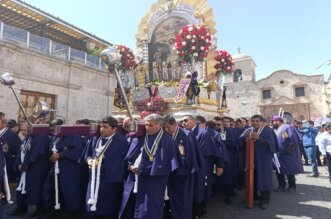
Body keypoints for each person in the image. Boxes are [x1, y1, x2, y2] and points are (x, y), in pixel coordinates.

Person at [134, 114, 179, 219]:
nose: (147, 128)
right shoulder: (142, 138)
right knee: (141, 201)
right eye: (146, 125)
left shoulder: (169, 140)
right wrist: (132, 165)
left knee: (154, 203)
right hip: (142, 175)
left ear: (159, 125)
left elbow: (171, 162)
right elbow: (132, 155)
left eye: (150, 125)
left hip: (158, 177)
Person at [85, 116, 129, 219]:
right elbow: (87, 155)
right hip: (94, 179)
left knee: (107, 207)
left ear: (114, 129)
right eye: (101, 127)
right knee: (91, 206)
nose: (101, 129)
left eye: (105, 127)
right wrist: (89, 161)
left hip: (109, 180)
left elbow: (120, 163)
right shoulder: (96, 139)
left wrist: (101, 164)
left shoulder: (121, 142)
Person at [43, 119, 86, 219]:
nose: (53, 132)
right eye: (51, 130)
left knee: (70, 193)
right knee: (52, 191)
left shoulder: (74, 136)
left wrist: (61, 154)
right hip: (56, 170)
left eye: (55, 129)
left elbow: (79, 152)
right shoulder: (56, 137)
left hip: (70, 171)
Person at [181, 115, 222, 218]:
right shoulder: (183, 133)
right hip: (188, 165)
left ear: (194, 121)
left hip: (201, 165)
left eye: (186, 120)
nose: (184, 123)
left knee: (200, 187)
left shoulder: (203, 133)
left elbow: (202, 152)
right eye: (182, 121)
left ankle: (200, 210)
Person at [163, 115, 201, 219]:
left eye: (168, 127)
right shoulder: (165, 135)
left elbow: (192, 155)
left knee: (184, 200)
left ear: (175, 125)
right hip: (171, 173)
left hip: (185, 173)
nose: (166, 130)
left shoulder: (187, 135)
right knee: (172, 198)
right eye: (164, 127)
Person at [9, 121, 50, 217]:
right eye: (22, 130)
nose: (25, 132)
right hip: (24, 170)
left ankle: (40, 210)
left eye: (27, 129)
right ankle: (21, 208)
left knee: (37, 190)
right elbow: (21, 153)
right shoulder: (26, 139)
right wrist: (18, 164)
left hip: (36, 170)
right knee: (21, 190)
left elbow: (37, 153)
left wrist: (25, 165)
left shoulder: (41, 137)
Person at [242, 115, 278, 209]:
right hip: (252, 159)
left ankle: (265, 200)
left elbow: (272, 146)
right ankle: (253, 197)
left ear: (262, 122)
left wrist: (259, 138)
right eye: (253, 121)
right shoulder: (250, 130)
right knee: (253, 178)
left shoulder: (268, 131)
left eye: (257, 121)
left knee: (264, 179)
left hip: (264, 160)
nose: (254, 123)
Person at [119, 118, 146, 219]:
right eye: (125, 126)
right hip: (129, 176)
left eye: (128, 126)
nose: (126, 128)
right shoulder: (132, 137)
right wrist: (130, 165)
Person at [272, 115, 303, 192]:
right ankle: (281, 185)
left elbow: (294, 140)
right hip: (278, 154)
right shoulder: (275, 129)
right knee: (279, 170)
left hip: (287, 154)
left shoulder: (286, 127)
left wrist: (289, 150)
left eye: (275, 121)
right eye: (272, 121)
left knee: (289, 170)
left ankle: (292, 186)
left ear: (279, 121)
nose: (273, 123)